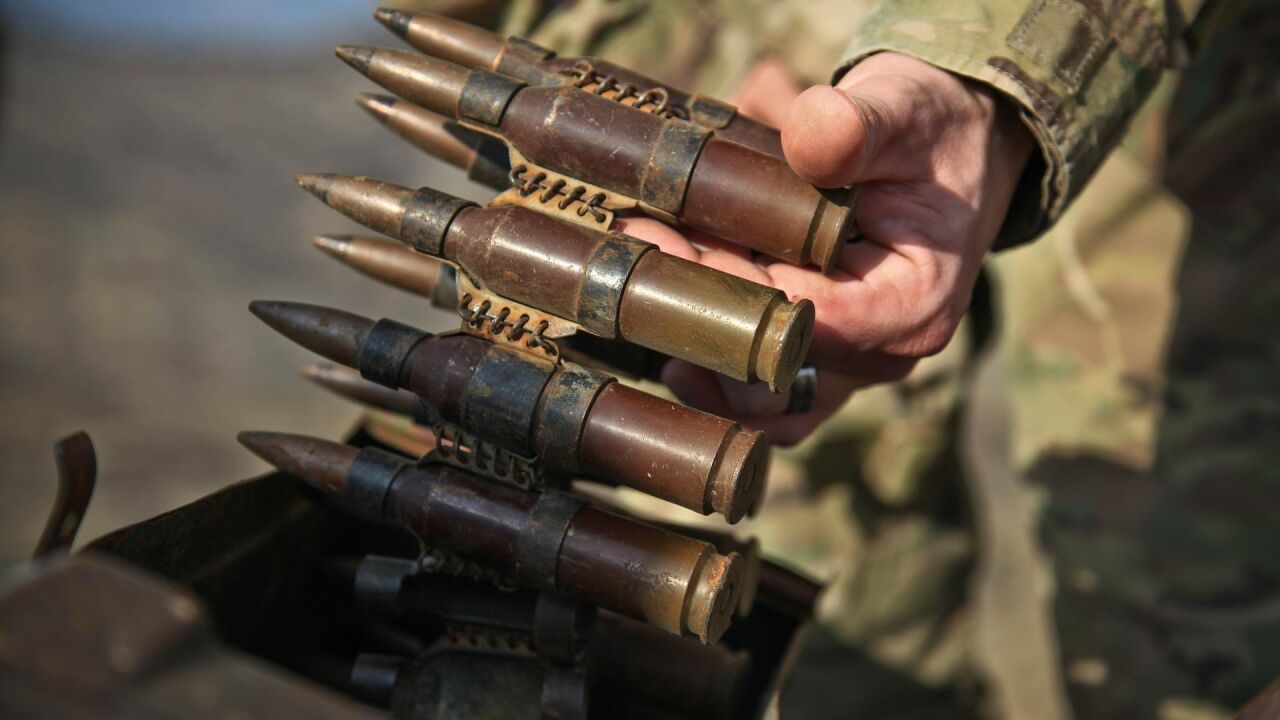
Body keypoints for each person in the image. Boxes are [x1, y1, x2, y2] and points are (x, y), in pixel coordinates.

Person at [400, 1, 1280, 717]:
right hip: (705, 86)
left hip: (1175, 98)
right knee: (793, 615)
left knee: (1179, 595)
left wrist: (980, 67)